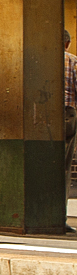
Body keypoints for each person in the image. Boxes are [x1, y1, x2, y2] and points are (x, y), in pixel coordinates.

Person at [64, 29, 77, 175]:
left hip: (43, 114)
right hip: (68, 111)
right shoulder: (73, 60)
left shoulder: (41, 61)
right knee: (65, 162)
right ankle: (61, 196)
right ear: (67, 43)